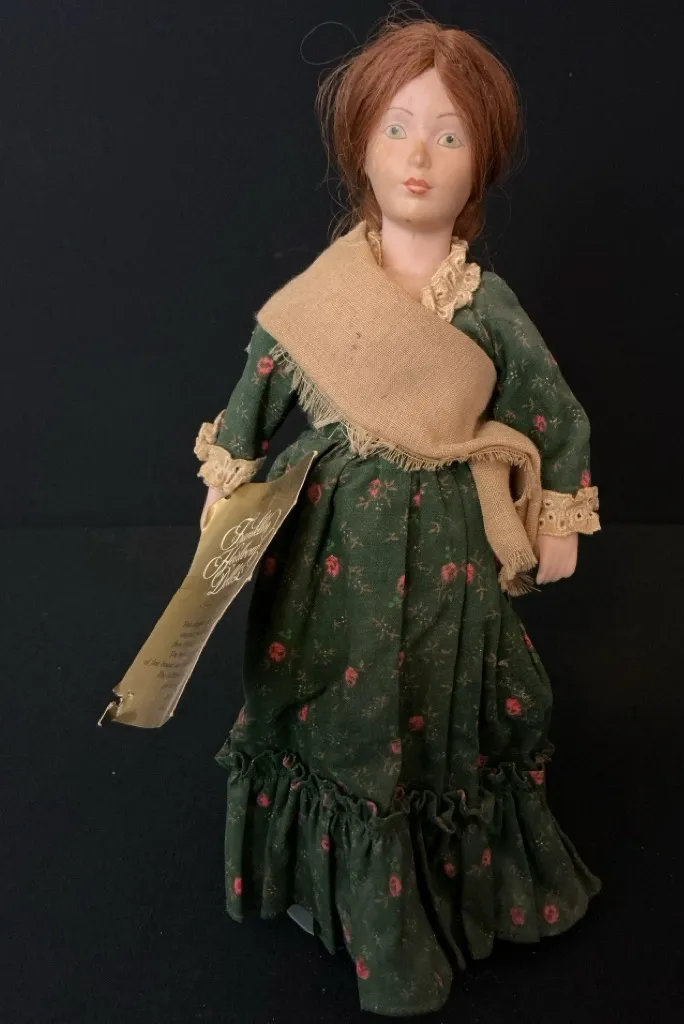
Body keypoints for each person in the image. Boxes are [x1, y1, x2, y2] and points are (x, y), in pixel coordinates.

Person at [193, 17, 601, 1017]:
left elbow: (555, 412)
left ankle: (438, 887)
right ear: (362, 146)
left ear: (480, 163)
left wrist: (556, 518)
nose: (420, 156)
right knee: (328, 689)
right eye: (398, 128)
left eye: (450, 135)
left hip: (450, 548)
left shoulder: (485, 304)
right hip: (328, 537)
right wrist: (227, 490)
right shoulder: (323, 296)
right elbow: (256, 392)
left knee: (437, 701)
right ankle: (333, 878)